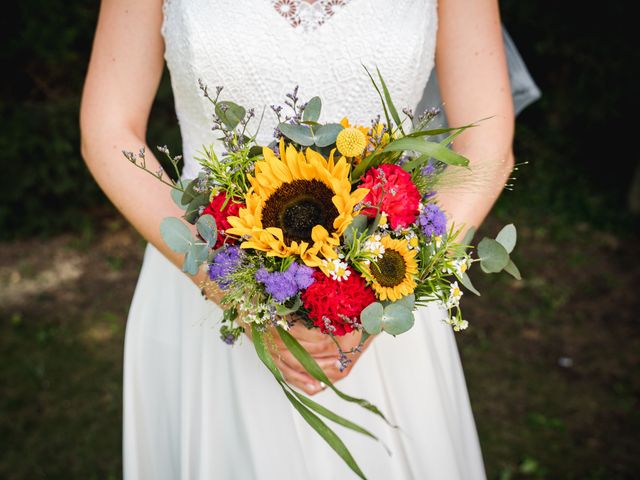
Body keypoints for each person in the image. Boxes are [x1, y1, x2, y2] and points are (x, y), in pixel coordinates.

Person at [80, 0, 517, 478]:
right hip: (200, 285)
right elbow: (108, 129)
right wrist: (232, 290)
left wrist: (382, 295)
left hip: (383, 297)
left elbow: (487, 142)